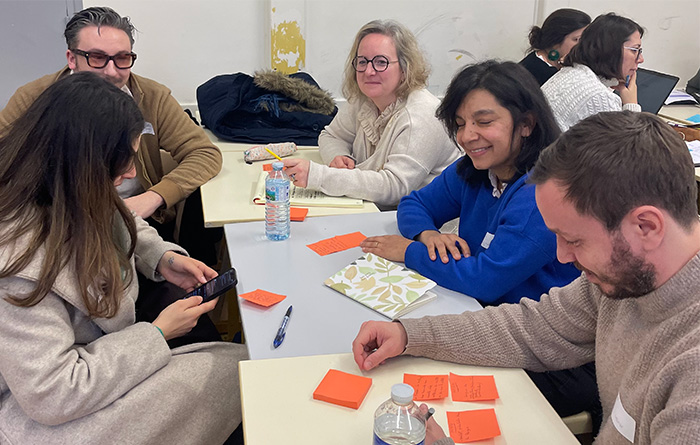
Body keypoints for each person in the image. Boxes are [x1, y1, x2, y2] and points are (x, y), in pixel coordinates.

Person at [353, 110, 700, 444]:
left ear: (646, 226)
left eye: (574, 240)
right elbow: (532, 327)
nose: (563, 256)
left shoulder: (690, 374)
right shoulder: (623, 282)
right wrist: (408, 334)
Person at [0, 72, 246, 444]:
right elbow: (52, 393)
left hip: (103, 356)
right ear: (84, 159)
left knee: (235, 370)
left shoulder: (72, 186)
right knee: (234, 375)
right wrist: (158, 333)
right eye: (123, 161)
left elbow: (120, 217)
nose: (132, 173)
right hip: (46, 417)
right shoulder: (18, 263)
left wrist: (162, 257)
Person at [0, 6, 222, 265]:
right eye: (97, 57)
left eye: (122, 58)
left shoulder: (152, 97)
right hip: (58, 223)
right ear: (72, 58)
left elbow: (204, 153)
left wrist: (154, 197)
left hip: (135, 220)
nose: (112, 71)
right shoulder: (34, 97)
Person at [360, 61, 581, 306]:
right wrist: (428, 235)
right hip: (473, 305)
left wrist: (409, 251)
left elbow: (485, 281)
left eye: (484, 122)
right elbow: (415, 204)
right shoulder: (475, 170)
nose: (466, 136)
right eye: (461, 124)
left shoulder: (543, 195)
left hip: (530, 328)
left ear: (526, 124)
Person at [283, 19, 459, 209]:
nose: (368, 71)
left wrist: (318, 176)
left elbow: (394, 188)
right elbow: (331, 135)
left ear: (404, 68)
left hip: (428, 228)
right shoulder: (365, 99)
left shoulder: (422, 115)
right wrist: (339, 157)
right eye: (362, 61)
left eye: (381, 62)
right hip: (375, 212)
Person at [541, 13, 644, 132]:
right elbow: (629, 148)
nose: (641, 59)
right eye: (635, 50)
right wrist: (631, 107)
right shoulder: (599, 97)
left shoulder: (571, 72)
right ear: (611, 50)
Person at [519, 8, 591, 85]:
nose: (583, 45)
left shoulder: (560, 64)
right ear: (556, 40)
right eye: (577, 39)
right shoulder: (537, 70)